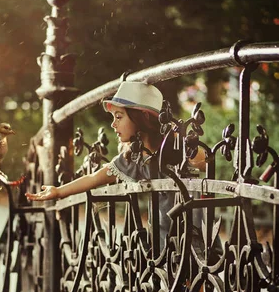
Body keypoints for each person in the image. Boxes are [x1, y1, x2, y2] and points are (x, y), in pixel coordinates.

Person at [26, 81, 183, 248]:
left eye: (119, 116)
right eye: (113, 117)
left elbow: (205, 162)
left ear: (142, 116)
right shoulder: (132, 158)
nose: (113, 124)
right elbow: (94, 178)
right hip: (163, 243)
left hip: (192, 236)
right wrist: (58, 191)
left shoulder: (178, 146)